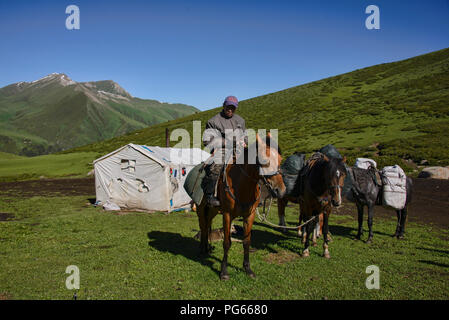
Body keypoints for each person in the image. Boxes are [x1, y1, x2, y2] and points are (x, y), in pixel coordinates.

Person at [202, 96, 248, 207]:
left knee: (253, 165)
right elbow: (207, 140)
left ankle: (255, 195)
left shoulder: (240, 121)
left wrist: (244, 141)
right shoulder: (213, 121)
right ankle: (209, 196)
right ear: (224, 106)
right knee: (215, 167)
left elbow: (245, 135)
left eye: (233, 108)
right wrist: (226, 142)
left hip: (238, 149)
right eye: (228, 107)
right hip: (221, 150)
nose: (230, 110)